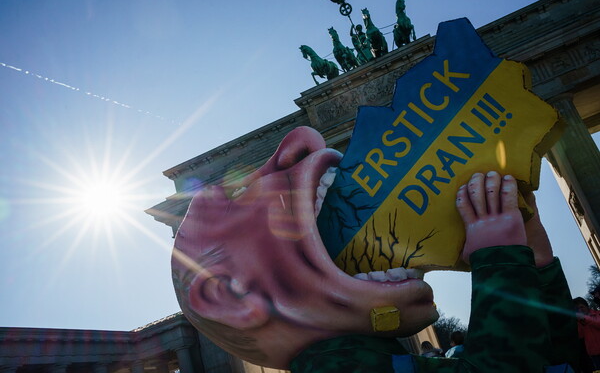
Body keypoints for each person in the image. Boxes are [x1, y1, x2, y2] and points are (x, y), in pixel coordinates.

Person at [171, 126, 578, 372]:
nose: (304, 139)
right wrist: (501, 259)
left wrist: (535, 262)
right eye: (238, 192)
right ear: (226, 294)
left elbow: (553, 365)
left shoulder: (364, 359)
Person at [574, 296, 600, 369]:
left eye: (582, 307)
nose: (580, 310)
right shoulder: (580, 320)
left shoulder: (598, 314)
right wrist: (578, 322)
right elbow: (580, 336)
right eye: (577, 309)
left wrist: (584, 318)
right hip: (594, 355)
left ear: (587, 306)